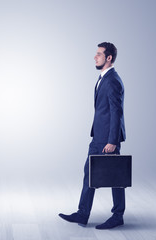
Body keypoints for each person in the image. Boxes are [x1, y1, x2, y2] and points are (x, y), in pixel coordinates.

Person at [59, 42, 126, 230]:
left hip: (108, 140)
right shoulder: (103, 78)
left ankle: (118, 215)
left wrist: (113, 141)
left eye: (99, 54)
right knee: (89, 174)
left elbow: (116, 112)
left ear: (109, 58)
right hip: (97, 138)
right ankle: (82, 213)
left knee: (115, 177)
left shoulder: (112, 80)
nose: (95, 57)